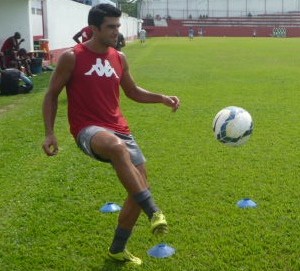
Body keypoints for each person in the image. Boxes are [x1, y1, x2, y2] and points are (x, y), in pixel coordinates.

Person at [42, 4, 180, 266]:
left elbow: (133, 91)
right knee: (117, 149)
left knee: (138, 189)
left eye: (118, 26)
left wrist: (161, 98)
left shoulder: (119, 57)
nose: (117, 32)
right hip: (88, 129)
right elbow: (51, 94)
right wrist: (50, 133)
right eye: (111, 27)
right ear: (94, 28)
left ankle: (118, 248)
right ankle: (155, 211)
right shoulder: (72, 57)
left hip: (120, 128)